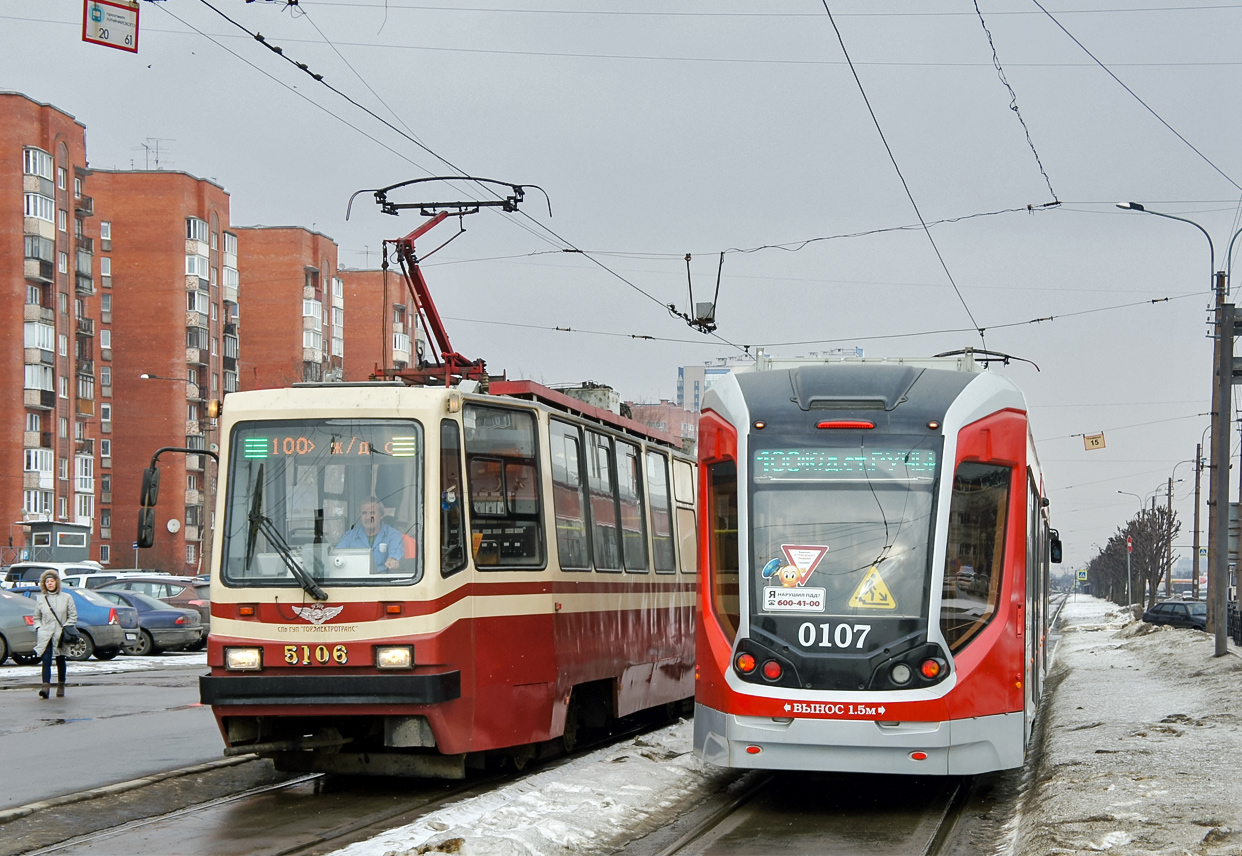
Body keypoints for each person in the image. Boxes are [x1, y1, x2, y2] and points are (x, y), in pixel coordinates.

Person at [32, 570, 77, 699]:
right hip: (46, 634)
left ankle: (61, 685)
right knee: (46, 659)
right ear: (44, 584)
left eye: (52, 581)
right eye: (47, 582)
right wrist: (39, 628)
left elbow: (73, 616)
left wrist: (65, 627)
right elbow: (36, 617)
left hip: (60, 634)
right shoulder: (41, 599)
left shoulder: (66, 597)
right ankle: (45, 687)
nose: (50, 583)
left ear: (57, 582)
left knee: (60, 659)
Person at [335, 500, 404, 572]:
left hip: (383, 577)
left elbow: (396, 552)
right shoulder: (350, 536)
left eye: (372, 513)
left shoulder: (393, 534)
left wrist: (393, 560)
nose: (368, 517)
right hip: (356, 577)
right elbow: (336, 556)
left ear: (381, 515)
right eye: (364, 513)